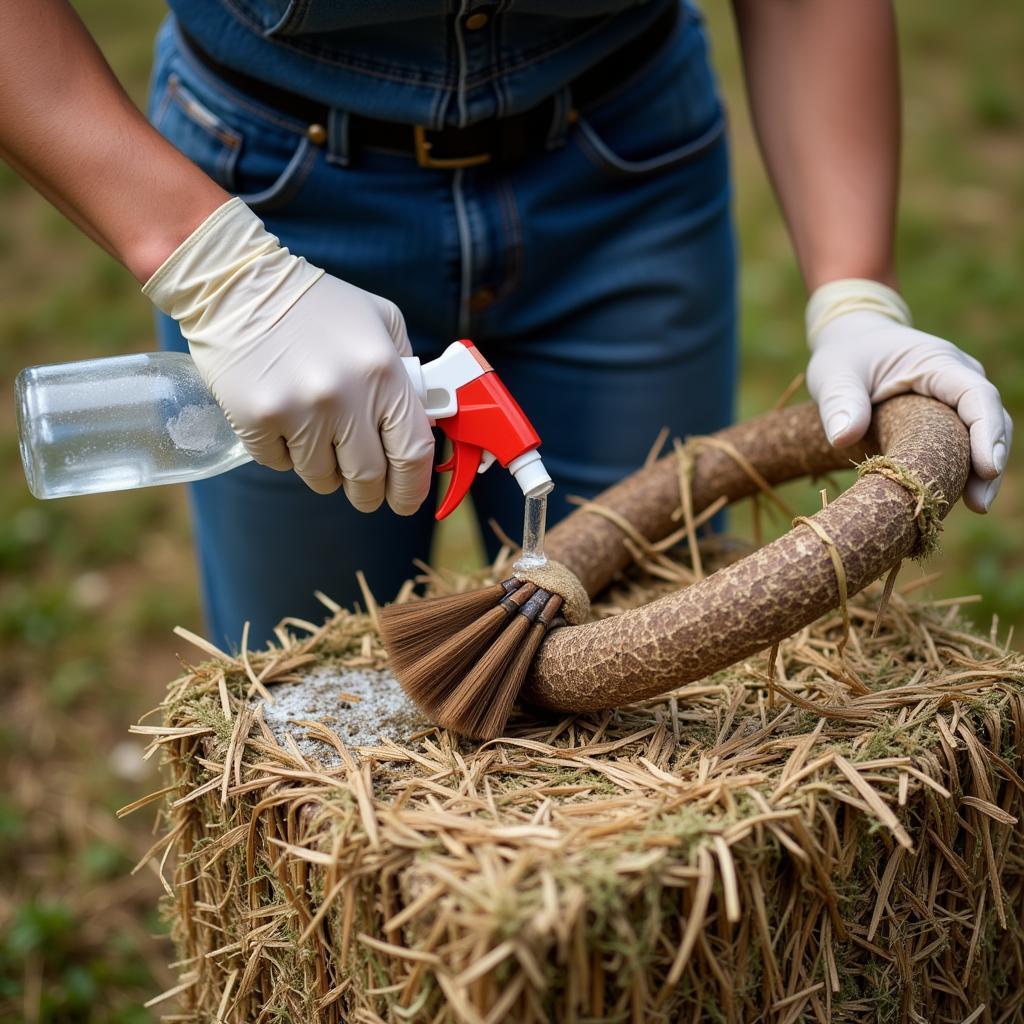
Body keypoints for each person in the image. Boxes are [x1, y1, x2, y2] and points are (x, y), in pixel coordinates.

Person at [2, 0, 1011, 648]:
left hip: (619, 173)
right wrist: (216, 267)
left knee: (652, 669)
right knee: (296, 697)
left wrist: (853, 291)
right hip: (269, 198)